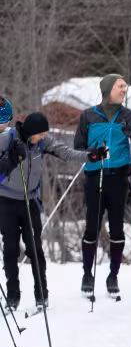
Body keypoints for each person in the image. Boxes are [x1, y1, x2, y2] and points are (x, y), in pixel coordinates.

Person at [0, 113, 106, 310]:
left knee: (35, 249)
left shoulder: (43, 142)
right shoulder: (7, 139)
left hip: (30, 201)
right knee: (10, 250)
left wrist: (91, 156)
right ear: (30, 132)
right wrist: (10, 158)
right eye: (40, 134)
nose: (43, 137)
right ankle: (12, 296)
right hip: (6, 201)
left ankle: (42, 295)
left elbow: (65, 152)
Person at [74, 74, 131, 300]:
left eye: (125, 86)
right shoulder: (89, 115)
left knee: (117, 228)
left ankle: (113, 275)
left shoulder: (130, 117)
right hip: (95, 176)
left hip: (119, 177)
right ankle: (86, 274)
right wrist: (92, 154)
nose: (124, 89)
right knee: (91, 226)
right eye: (120, 86)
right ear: (108, 89)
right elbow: (78, 149)